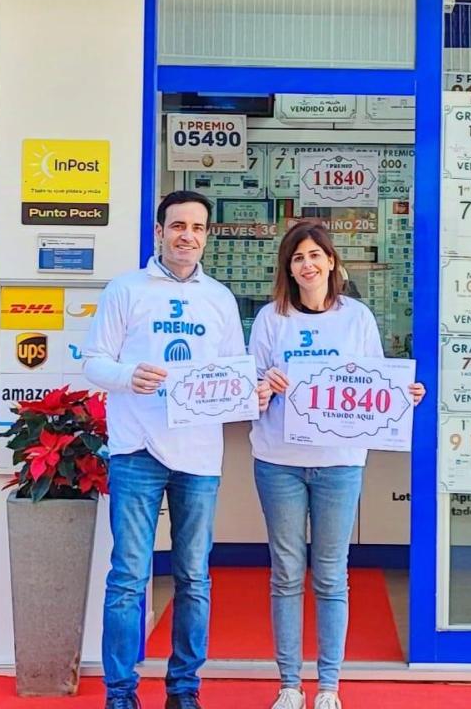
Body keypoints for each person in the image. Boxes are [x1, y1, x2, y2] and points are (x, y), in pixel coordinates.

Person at [249, 221, 425, 709]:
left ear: (331, 262)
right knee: (285, 572)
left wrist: (402, 395)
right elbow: (251, 390)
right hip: (278, 460)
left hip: (340, 463)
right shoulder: (271, 319)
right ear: (288, 267)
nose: (307, 264)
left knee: (331, 574)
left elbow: (374, 384)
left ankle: (329, 686)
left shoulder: (357, 318)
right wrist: (264, 387)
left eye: (315, 255)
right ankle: (289, 684)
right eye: (297, 257)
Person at [83, 190, 246, 709]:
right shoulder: (126, 290)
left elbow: (234, 375)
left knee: (194, 577)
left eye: (198, 228)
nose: (188, 237)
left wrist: (255, 388)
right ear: (159, 231)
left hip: (198, 456)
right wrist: (130, 376)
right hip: (136, 450)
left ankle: (184, 690)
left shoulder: (219, 298)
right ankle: (121, 692)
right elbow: (93, 362)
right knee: (130, 575)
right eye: (178, 226)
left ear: (207, 236)